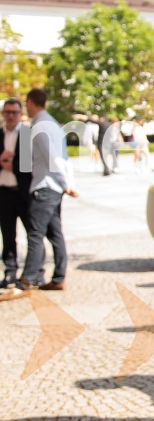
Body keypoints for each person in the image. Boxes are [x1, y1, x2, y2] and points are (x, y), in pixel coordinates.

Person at [16, 89, 78, 294]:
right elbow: (63, 157)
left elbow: (53, 158)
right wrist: (66, 182)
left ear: (31, 102)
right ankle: (58, 276)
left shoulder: (41, 125)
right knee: (54, 233)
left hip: (45, 186)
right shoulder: (51, 123)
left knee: (35, 234)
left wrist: (65, 183)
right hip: (53, 186)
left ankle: (27, 280)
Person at [0, 98, 31, 292]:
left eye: (14, 112)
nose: (10, 116)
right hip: (3, 191)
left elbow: (28, 165)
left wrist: (12, 165)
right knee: (8, 234)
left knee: (32, 233)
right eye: (7, 112)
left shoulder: (26, 134)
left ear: (20, 114)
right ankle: (10, 270)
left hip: (22, 192)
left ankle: (32, 272)